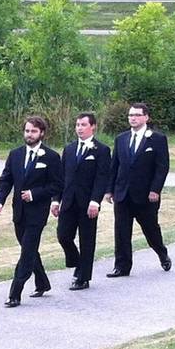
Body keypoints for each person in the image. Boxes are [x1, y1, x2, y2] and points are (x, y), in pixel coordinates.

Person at [0, 116, 64, 307]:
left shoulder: (51, 157)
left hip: (37, 214)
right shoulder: (15, 154)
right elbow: (6, 179)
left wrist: (35, 194)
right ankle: (42, 282)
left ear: (42, 133)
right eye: (27, 131)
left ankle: (15, 293)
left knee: (26, 252)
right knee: (29, 249)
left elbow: (57, 185)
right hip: (19, 212)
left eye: (33, 131)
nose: (29, 134)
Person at [106, 102, 172, 277]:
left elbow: (162, 167)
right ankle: (122, 266)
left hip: (145, 195)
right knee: (121, 232)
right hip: (123, 194)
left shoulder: (157, 139)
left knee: (150, 229)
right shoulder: (121, 139)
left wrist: (155, 190)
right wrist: (109, 189)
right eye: (130, 115)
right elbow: (114, 166)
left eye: (136, 115)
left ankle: (161, 253)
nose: (132, 118)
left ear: (146, 117)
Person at [51, 112, 111, 290]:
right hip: (68, 201)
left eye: (83, 125)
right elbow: (61, 177)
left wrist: (95, 201)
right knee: (63, 236)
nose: (79, 128)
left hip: (88, 203)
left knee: (87, 240)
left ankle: (83, 277)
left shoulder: (101, 150)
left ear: (92, 127)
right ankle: (77, 262)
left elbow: (102, 178)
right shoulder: (69, 149)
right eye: (77, 125)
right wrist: (56, 200)